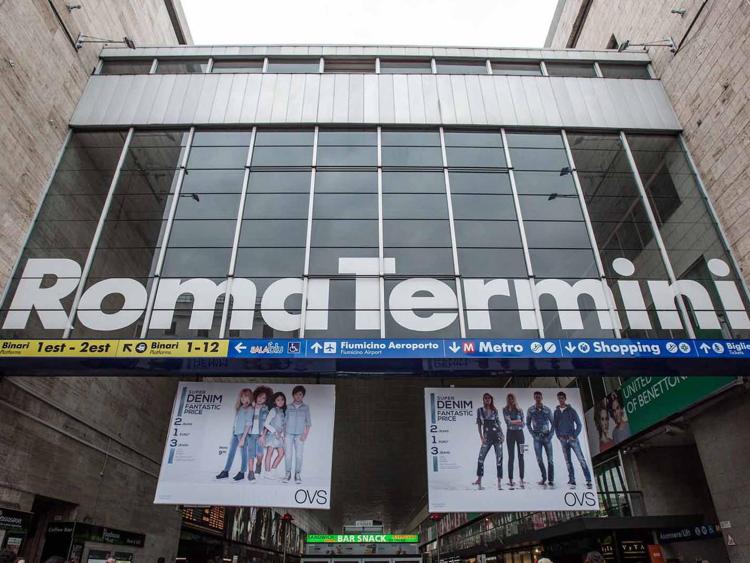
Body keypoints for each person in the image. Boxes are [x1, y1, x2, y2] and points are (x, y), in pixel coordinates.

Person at [553, 391, 592, 489]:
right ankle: (572, 479)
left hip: (573, 439)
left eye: (562, 398)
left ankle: (588, 479)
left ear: (565, 399)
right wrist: (559, 436)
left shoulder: (571, 410)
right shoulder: (556, 412)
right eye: (559, 398)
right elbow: (555, 426)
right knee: (568, 461)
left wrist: (574, 435)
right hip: (563, 440)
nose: (560, 400)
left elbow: (579, 424)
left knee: (581, 459)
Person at [216, 387, 254, 481]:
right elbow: (237, 421)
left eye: (246, 397)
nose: (243, 399)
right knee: (231, 452)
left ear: (250, 398)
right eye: (242, 397)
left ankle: (242, 472)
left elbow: (248, 424)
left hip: (242, 434)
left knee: (243, 454)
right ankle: (226, 471)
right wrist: (234, 431)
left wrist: (243, 438)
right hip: (236, 433)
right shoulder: (240, 408)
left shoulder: (250, 409)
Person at [472, 393, 504, 490]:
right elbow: (479, 424)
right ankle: (479, 479)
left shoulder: (495, 410)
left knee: (499, 459)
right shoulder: (480, 410)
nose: (487, 400)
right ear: (483, 400)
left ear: (491, 400)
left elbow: (498, 423)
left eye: (489, 398)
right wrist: (481, 437)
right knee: (481, 458)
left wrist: (502, 434)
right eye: (485, 398)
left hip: (497, 436)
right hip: (487, 436)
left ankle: (499, 481)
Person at [283, 385, 311, 484]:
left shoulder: (306, 407)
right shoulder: (288, 407)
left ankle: (297, 474)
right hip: (288, 434)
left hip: (300, 435)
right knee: (288, 455)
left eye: (300, 394)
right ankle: (287, 473)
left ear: (303, 396)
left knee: (299, 455)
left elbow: (308, 423)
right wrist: (284, 434)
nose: (298, 396)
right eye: (296, 394)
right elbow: (284, 421)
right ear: (293, 395)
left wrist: (305, 435)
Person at [526, 391, 554, 487]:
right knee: (539, 459)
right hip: (537, 437)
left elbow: (553, 423)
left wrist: (550, 435)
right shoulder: (530, 410)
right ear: (534, 398)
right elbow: (528, 423)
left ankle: (551, 479)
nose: (537, 398)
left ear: (542, 397)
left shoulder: (547, 410)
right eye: (536, 397)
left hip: (547, 436)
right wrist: (533, 435)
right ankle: (544, 478)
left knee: (550, 460)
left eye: (539, 396)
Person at [248, 385, 272, 479]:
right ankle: (251, 473)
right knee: (251, 454)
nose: (260, 399)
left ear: (266, 400)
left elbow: (267, 423)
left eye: (263, 398)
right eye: (259, 396)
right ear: (256, 396)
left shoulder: (266, 409)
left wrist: (263, 435)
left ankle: (259, 463)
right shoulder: (250, 407)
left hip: (260, 435)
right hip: (250, 434)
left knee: (259, 454)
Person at [503, 393, 525, 489]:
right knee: (511, 457)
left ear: (514, 399)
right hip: (510, 434)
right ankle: (511, 480)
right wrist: (517, 421)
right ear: (507, 400)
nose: (511, 400)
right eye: (509, 398)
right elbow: (508, 422)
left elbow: (523, 424)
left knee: (521, 456)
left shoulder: (520, 410)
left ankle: (521, 479)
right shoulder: (505, 409)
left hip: (520, 435)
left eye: (512, 398)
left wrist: (513, 421)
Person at [263, 391, 287, 476]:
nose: (280, 401)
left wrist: (283, 435)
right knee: (270, 453)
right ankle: (267, 472)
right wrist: (274, 431)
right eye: (278, 400)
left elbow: (283, 426)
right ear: (274, 401)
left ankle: (273, 469)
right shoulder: (273, 410)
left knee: (281, 453)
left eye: (282, 399)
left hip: (279, 437)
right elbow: (266, 423)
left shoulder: (282, 412)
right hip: (272, 436)